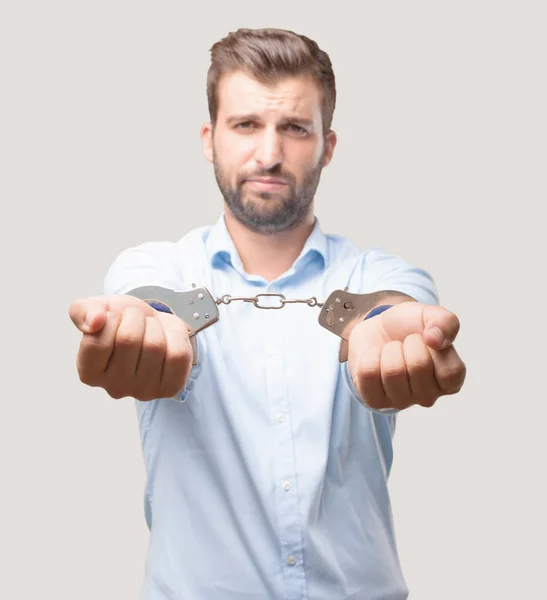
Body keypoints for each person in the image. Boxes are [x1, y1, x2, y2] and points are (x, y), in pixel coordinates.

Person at [69, 28, 466, 600]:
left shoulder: (379, 275)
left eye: (295, 128)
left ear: (328, 145)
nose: (270, 154)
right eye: (246, 125)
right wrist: (149, 325)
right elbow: (149, 298)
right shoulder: (160, 265)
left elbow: (392, 308)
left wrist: (383, 328)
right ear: (210, 139)